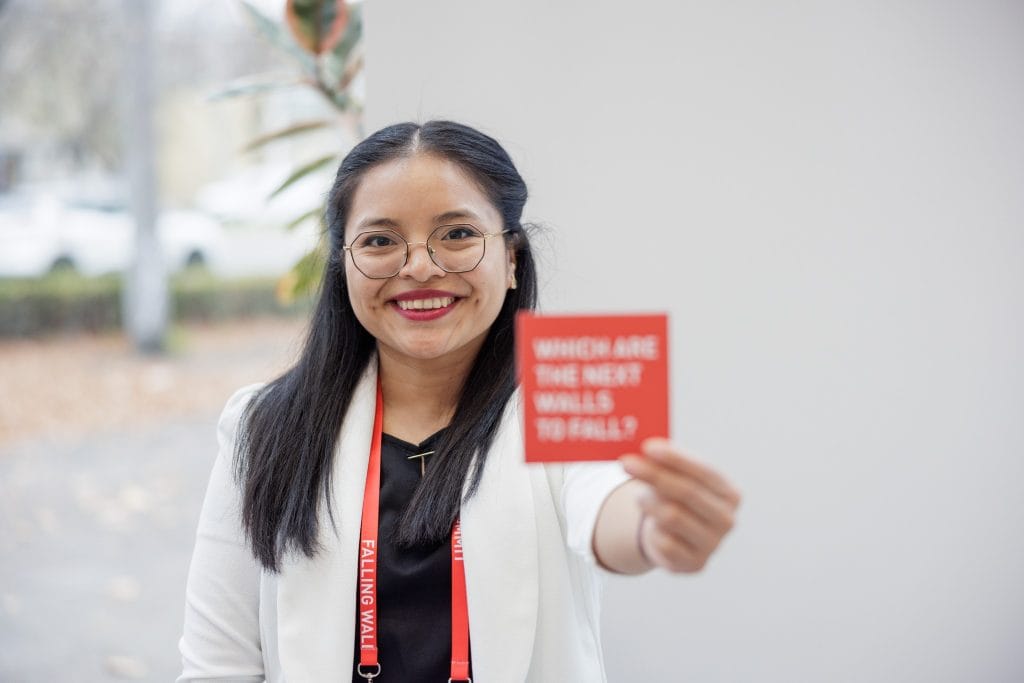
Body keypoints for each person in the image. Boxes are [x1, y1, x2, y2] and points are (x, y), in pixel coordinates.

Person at [177, 120, 741, 683]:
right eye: (379, 241)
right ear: (342, 263)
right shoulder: (263, 425)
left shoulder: (562, 396)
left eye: (458, 234)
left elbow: (608, 503)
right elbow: (217, 667)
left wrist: (651, 526)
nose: (420, 267)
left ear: (512, 258)